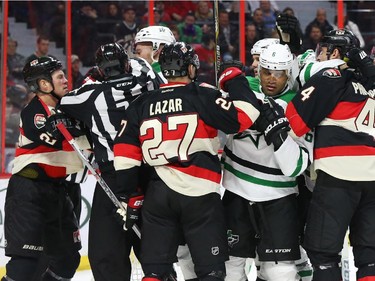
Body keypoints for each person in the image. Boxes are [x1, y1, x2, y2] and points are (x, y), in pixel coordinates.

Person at [113, 41, 261, 281]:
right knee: (210, 271)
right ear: (191, 68)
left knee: (154, 272)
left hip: (158, 194)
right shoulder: (201, 94)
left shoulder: (141, 103)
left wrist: (131, 195)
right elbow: (245, 116)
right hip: (200, 193)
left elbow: (124, 155)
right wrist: (233, 78)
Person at [57, 42, 155, 281]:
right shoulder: (146, 84)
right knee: (154, 249)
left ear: (100, 70)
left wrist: (92, 78)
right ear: (125, 64)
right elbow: (144, 68)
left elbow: (64, 103)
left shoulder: (91, 95)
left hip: (115, 177)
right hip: (152, 175)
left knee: (106, 253)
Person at [285, 29, 375, 281]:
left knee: (324, 257)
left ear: (335, 53)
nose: (318, 56)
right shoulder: (370, 81)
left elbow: (295, 124)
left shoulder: (331, 75)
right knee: (370, 257)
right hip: (373, 177)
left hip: (339, 176)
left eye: (322, 50)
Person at [222, 44, 314, 281]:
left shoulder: (300, 105)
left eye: (279, 73)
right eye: (266, 72)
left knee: (280, 273)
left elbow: (296, 166)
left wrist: (277, 131)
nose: (272, 79)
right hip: (237, 193)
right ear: (258, 71)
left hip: (279, 197)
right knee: (230, 269)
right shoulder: (240, 94)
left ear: (288, 75)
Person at [2, 56, 88, 281]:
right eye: (60, 76)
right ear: (43, 84)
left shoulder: (68, 109)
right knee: (25, 264)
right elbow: (60, 138)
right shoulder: (34, 112)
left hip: (58, 190)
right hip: (29, 190)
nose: (66, 80)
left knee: (67, 259)